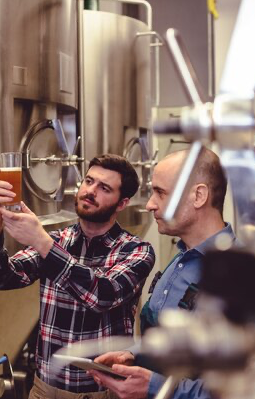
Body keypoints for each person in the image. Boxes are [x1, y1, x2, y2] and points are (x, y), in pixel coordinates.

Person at [0, 154, 156, 398]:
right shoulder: (58, 240)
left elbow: (99, 295)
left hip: (100, 392)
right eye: (89, 181)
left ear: (122, 203)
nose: (91, 191)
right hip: (44, 389)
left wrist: (42, 241)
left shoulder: (136, 250)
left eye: (104, 188)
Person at [89, 148, 234, 399]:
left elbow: (234, 388)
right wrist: (135, 354)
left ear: (198, 196)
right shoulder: (182, 259)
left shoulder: (237, 276)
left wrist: (154, 387)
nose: (149, 204)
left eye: (160, 193)